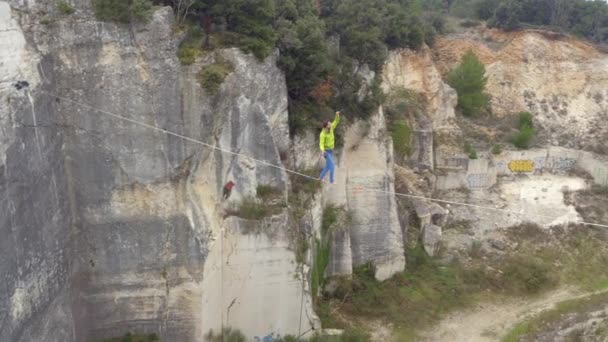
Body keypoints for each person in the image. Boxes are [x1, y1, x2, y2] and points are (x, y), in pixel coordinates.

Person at [319, 111, 341, 184]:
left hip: (331, 151)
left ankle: (320, 177)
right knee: (332, 165)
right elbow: (321, 144)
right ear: (326, 126)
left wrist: (337, 115)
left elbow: (336, 121)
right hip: (326, 152)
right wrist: (322, 150)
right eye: (329, 124)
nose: (330, 124)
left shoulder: (331, 128)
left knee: (328, 166)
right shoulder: (322, 134)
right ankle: (332, 180)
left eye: (330, 123)